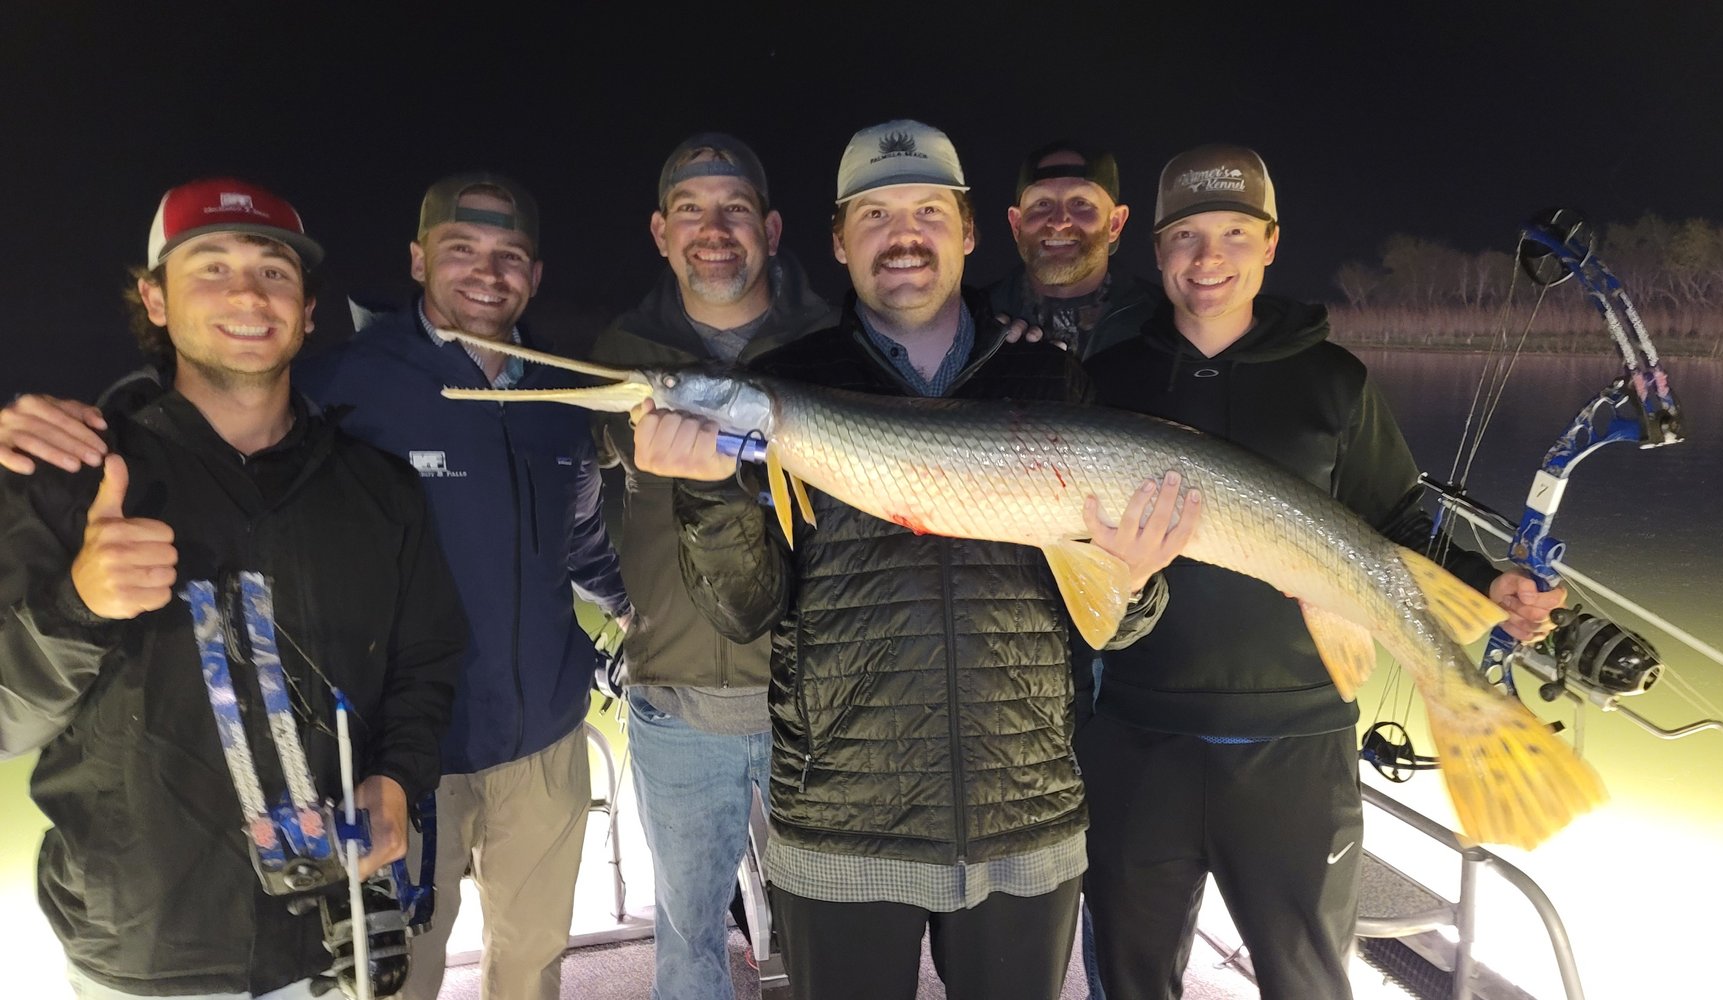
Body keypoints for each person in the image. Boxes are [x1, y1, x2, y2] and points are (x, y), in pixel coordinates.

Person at [0, 174, 630, 1000]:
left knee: (532, 962)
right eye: (461, 249)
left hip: (521, 751)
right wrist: (77, 571)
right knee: (412, 973)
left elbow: (571, 538)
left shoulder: (560, 398)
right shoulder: (341, 385)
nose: (487, 271)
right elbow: (208, 405)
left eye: (510, 254)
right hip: (370, 796)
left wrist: (631, 608)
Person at [630, 119, 1199, 1000]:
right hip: (843, 829)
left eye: (929, 210)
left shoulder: (1045, 379)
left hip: (1024, 816)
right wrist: (704, 489)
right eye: (874, 214)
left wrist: (1131, 577)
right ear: (838, 241)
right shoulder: (794, 382)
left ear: (970, 232)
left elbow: (1118, 623)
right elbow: (746, 610)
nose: (903, 235)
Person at [1076, 144, 1566, 1000]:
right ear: (1156, 252)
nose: (1209, 256)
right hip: (1134, 733)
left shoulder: (1333, 382)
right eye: (1186, 235)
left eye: (1234, 232)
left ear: (1270, 243)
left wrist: (1486, 583)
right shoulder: (1104, 382)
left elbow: (1396, 516)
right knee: (1129, 976)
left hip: (1297, 743)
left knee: (1306, 981)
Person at [588, 133, 832, 1000]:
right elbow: (577, 510)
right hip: (676, 707)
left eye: (733, 208)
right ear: (661, 231)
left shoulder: (835, 341)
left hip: (821, 702)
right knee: (688, 944)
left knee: (831, 943)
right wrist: (627, 606)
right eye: (690, 210)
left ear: (768, 226)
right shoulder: (618, 355)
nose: (713, 228)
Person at [988, 140, 1162, 359]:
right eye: (1042, 203)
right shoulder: (973, 324)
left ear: (1115, 223)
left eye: (1080, 203)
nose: (1059, 222)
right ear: (1016, 224)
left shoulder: (1166, 325)